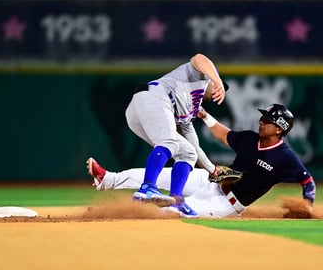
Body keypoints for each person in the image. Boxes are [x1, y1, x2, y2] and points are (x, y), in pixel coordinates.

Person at [87, 103, 316, 218]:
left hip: (226, 203)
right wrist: (205, 116)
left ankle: (129, 215)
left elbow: (308, 182)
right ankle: (106, 179)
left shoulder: (286, 157)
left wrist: (308, 205)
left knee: (174, 212)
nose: (261, 121)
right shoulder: (249, 138)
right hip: (209, 181)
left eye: (267, 119)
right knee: (161, 175)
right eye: (263, 117)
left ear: (279, 128)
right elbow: (222, 133)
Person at [88, 53, 228, 217]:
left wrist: (213, 170)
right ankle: (147, 187)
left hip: (141, 112)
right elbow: (198, 58)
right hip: (153, 97)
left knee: (187, 153)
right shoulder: (201, 77)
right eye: (219, 86)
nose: (219, 90)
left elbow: (195, 149)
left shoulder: (192, 110)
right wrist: (217, 80)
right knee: (169, 141)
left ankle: (176, 201)